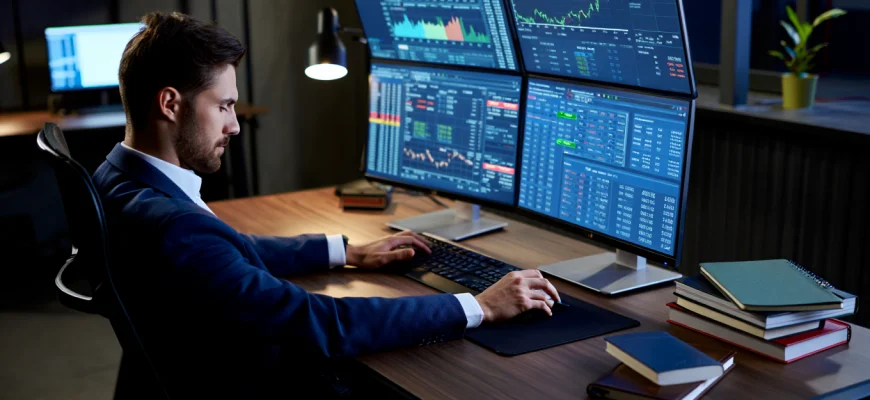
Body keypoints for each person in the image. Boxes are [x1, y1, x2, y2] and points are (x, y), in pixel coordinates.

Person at [92, 11, 560, 398]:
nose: (234, 126)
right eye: (224, 106)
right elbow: (317, 321)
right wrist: (476, 306)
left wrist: (346, 251)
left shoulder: (116, 179)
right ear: (170, 103)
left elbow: (226, 250)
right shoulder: (177, 228)